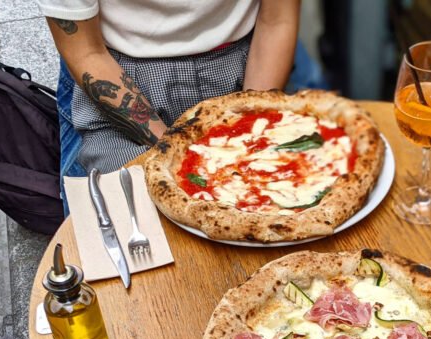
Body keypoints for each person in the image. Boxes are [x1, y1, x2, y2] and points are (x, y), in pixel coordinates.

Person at [37, 0, 300, 211]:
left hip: (247, 62)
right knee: (129, 222)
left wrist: (248, 130)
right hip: (117, 74)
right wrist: (180, 156)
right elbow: (85, 51)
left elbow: (277, 19)